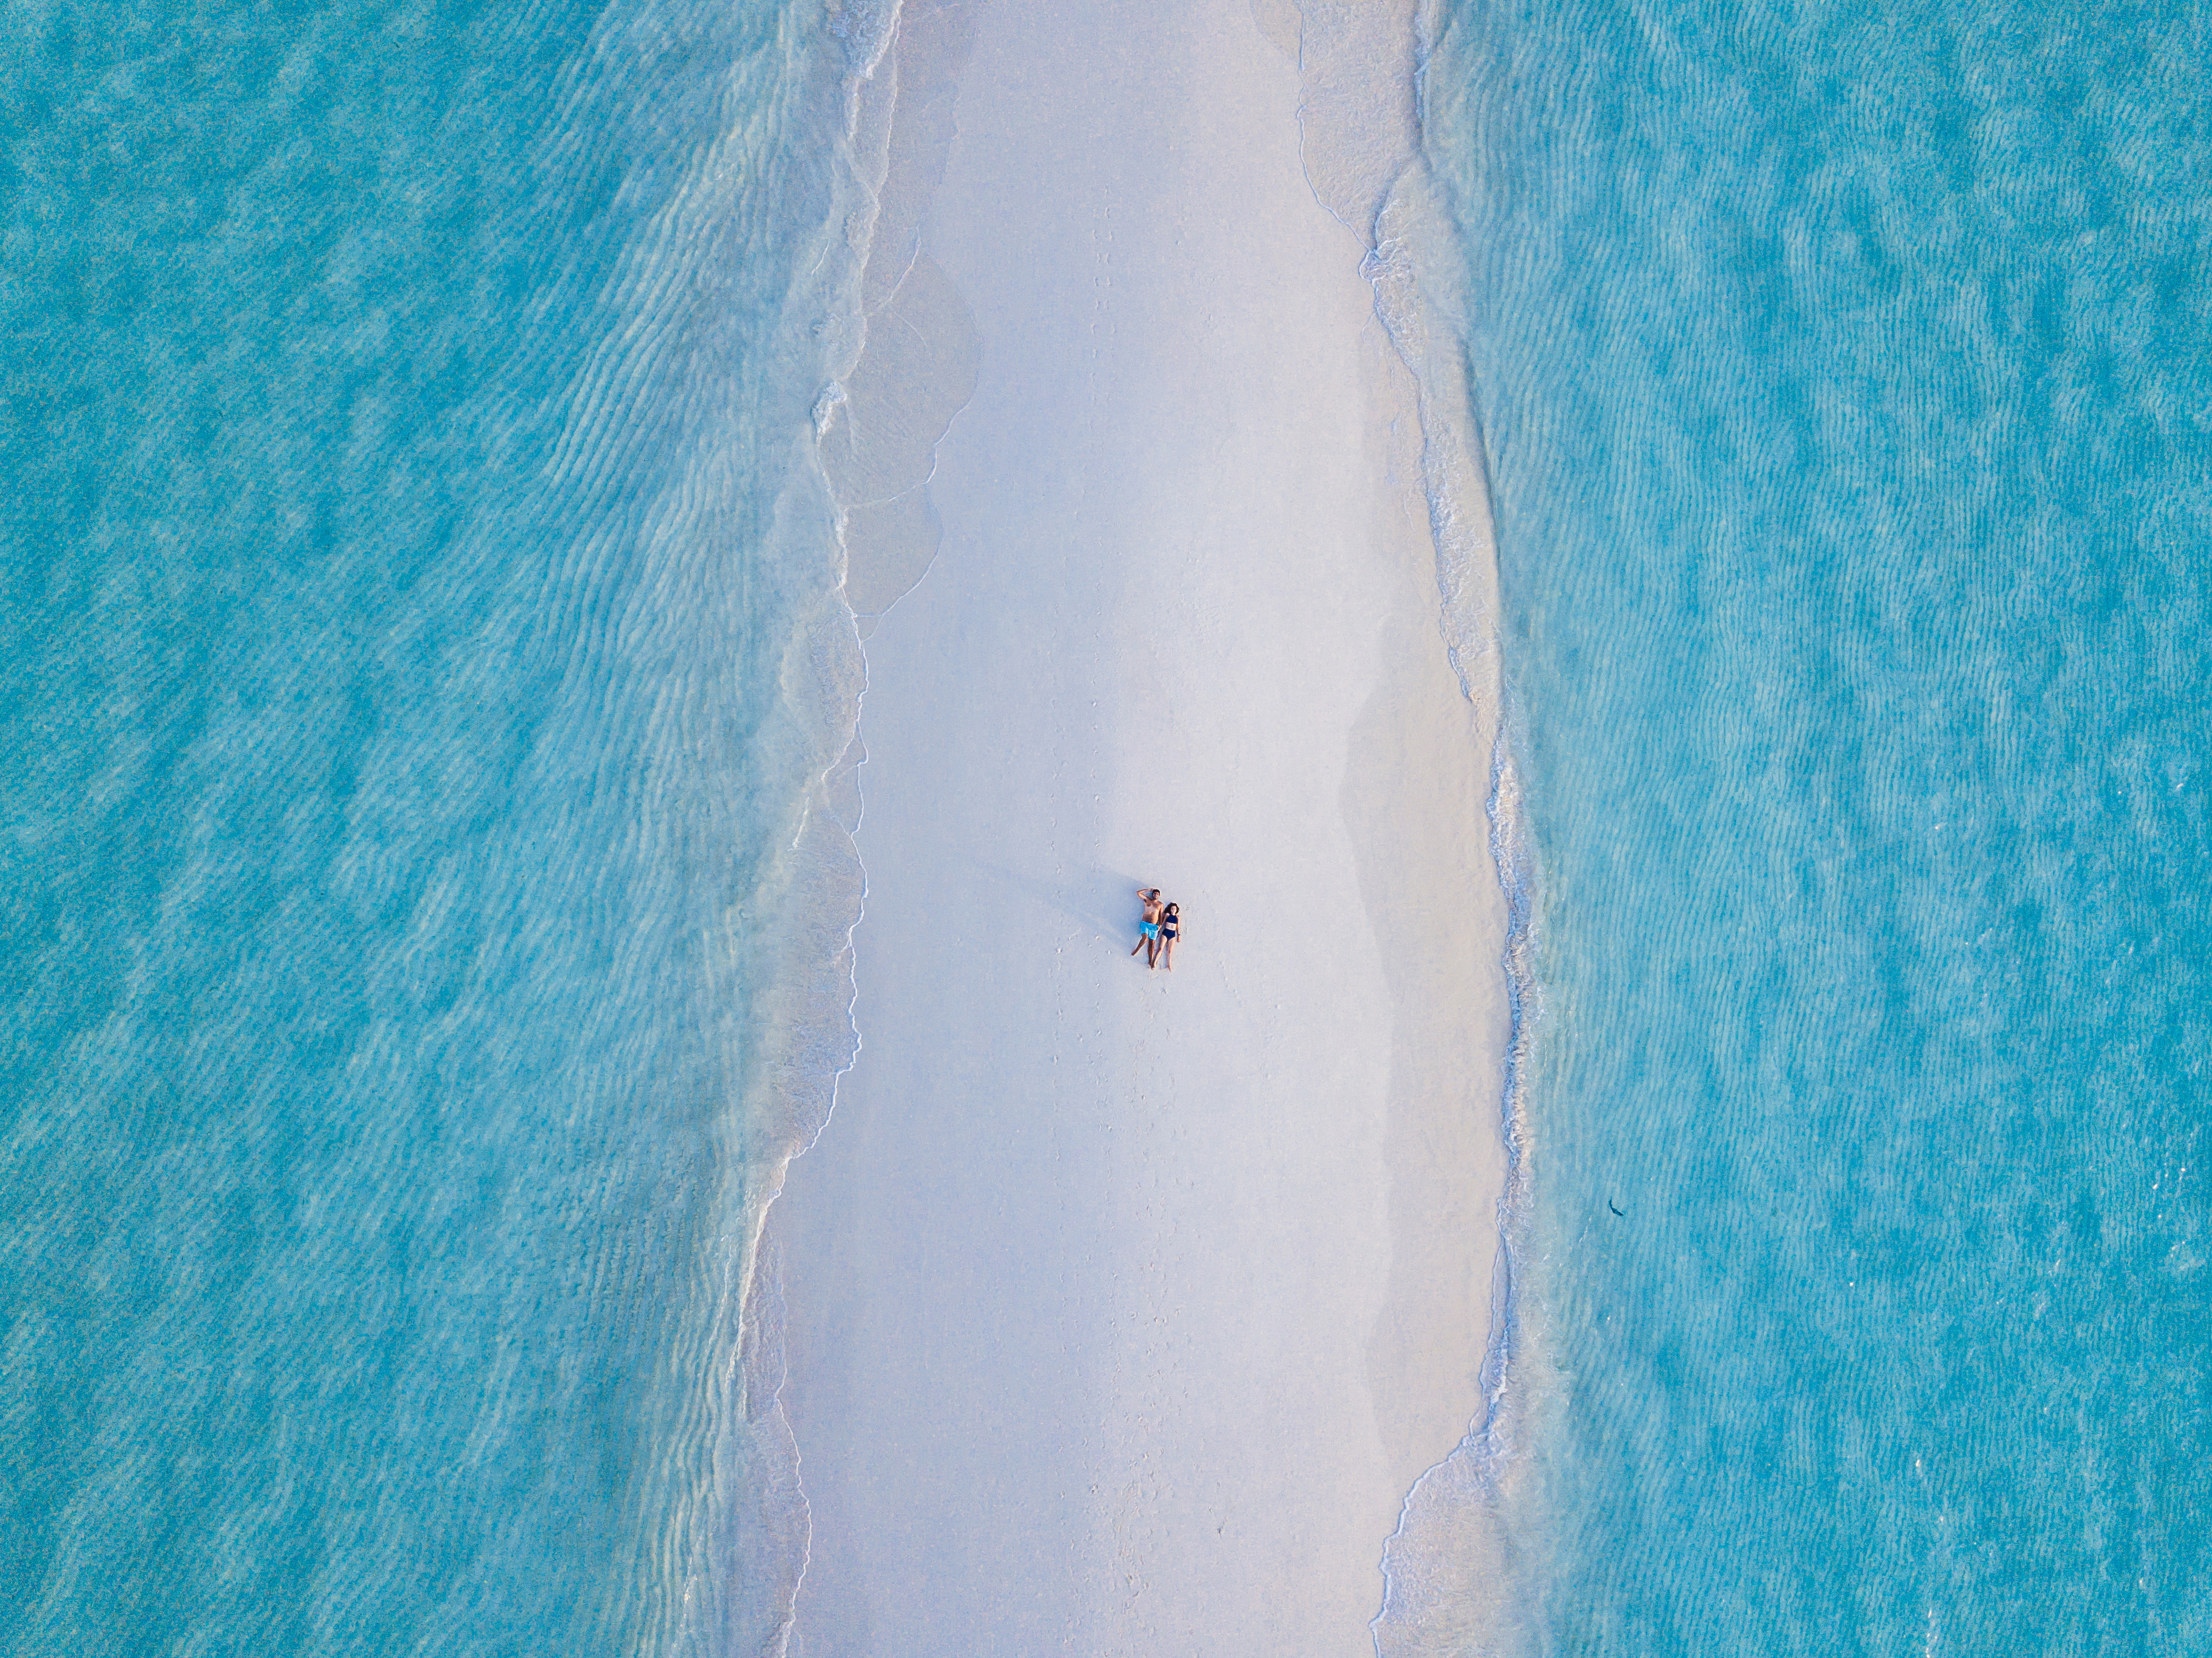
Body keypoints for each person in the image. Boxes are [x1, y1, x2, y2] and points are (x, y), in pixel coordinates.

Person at [1131, 888, 1163, 966]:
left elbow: (1161, 915)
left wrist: (1160, 926)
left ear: (1159, 896)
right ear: (1152, 895)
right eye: (1154, 894)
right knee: (1145, 938)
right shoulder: (1147, 900)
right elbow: (1138, 893)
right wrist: (1148, 890)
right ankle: (1136, 950)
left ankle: (1150, 961)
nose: (1155, 895)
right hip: (1145, 923)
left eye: (1157, 894)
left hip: (1154, 926)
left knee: (1152, 944)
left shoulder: (1160, 905)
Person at [1158, 902, 1181, 970]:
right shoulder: (1167, 915)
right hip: (1166, 932)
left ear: (1176, 910)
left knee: (1170, 951)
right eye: (1172, 908)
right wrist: (1159, 931)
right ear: (1170, 909)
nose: (1173, 910)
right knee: (1161, 949)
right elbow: (1162, 923)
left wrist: (1179, 935)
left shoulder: (1178, 917)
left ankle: (1169, 965)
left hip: (1173, 934)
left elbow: (1178, 927)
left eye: (1175, 909)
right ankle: (1155, 963)